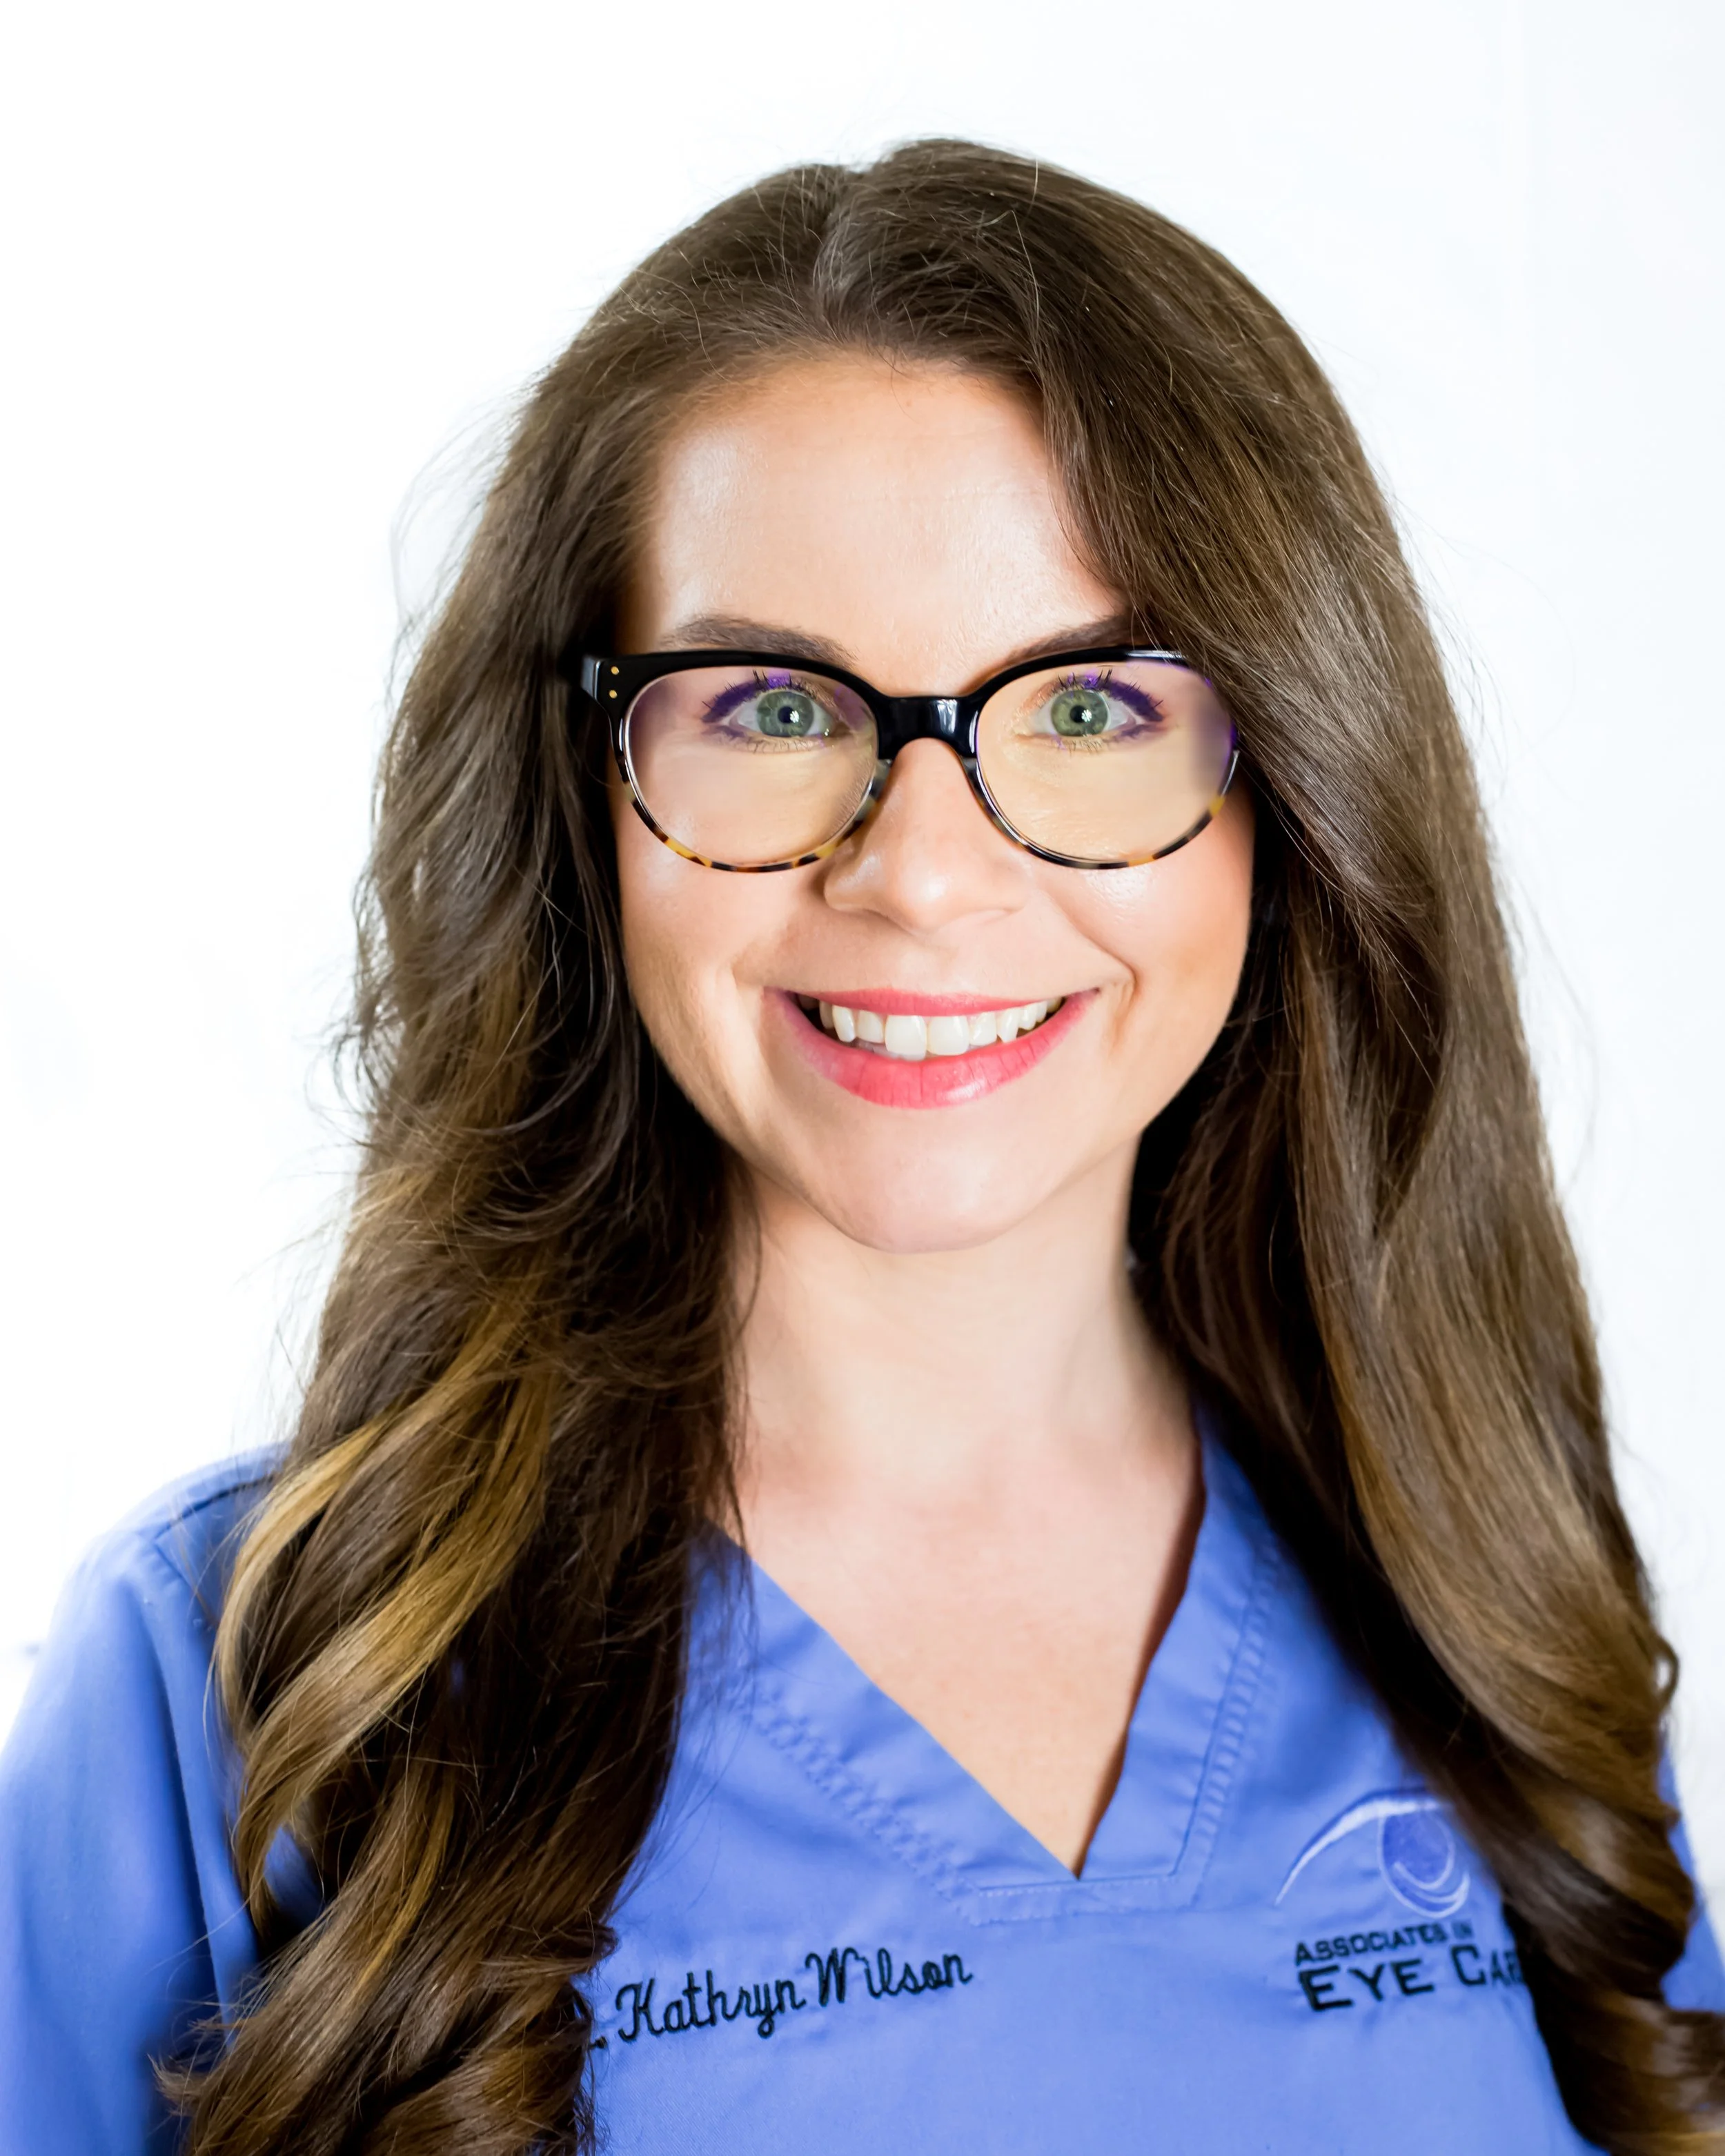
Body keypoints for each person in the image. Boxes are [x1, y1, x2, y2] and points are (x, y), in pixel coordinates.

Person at [1, 137, 1721, 2156]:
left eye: (1089, 707)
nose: (919, 872)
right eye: (767, 706)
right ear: (583, 795)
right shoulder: (245, 1689)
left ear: (1295, 784)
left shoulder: (1478, 1596)